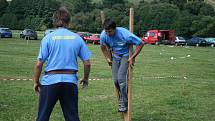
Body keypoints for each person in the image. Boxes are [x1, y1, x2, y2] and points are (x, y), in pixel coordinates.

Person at [33, 7, 91, 121]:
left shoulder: (48, 38)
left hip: (50, 82)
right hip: (70, 82)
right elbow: (87, 63)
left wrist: (36, 82)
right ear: (68, 21)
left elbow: (39, 64)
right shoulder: (77, 38)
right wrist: (85, 78)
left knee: (42, 117)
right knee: (72, 118)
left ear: (55, 21)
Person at [100, 18, 144, 112]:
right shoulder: (103, 35)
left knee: (121, 80)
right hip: (115, 57)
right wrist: (108, 58)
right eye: (106, 31)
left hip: (125, 56)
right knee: (116, 80)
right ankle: (122, 98)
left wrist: (132, 57)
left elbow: (140, 43)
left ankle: (124, 102)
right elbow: (103, 47)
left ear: (115, 29)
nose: (108, 33)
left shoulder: (125, 34)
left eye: (110, 31)